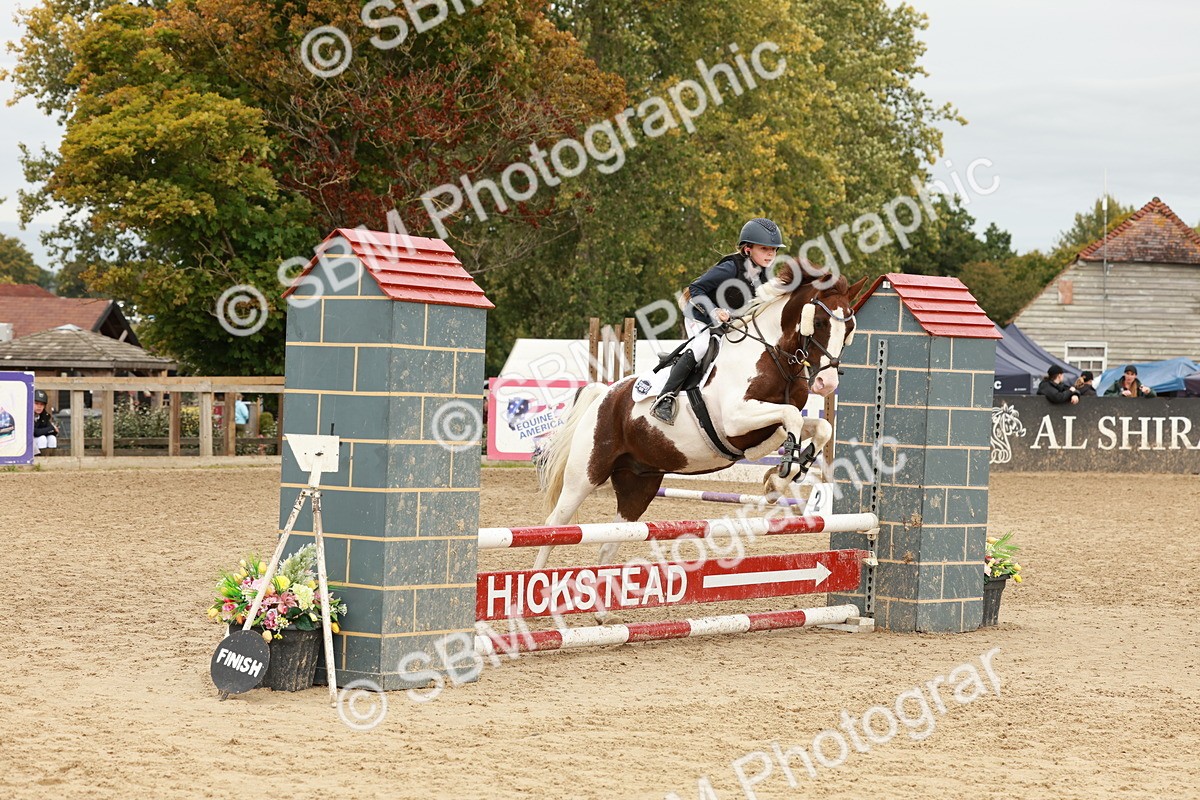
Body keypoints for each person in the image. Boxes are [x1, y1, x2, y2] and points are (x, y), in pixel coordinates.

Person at [650, 217, 785, 423]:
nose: (770, 254)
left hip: (727, 321)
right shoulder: (731, 267)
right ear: (748, 249)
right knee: (701, 346)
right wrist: (714, 311)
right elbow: (696, 288)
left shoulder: (765, 276)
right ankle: (664, 398)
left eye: (774, 250)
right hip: (699, 314)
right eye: (764, 248)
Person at [33, 389, 59, 454]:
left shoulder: (44, 415)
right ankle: (40, 459)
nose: (39, 406)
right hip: (27, 444)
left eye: (42, 404)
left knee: (52, 438)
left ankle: (50, 458)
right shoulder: (26, 415)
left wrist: (51, 429)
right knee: (42, 439)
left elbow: (54, 432)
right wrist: (51, 428)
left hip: (38, 441)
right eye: (36, 403)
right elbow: (35, 432)